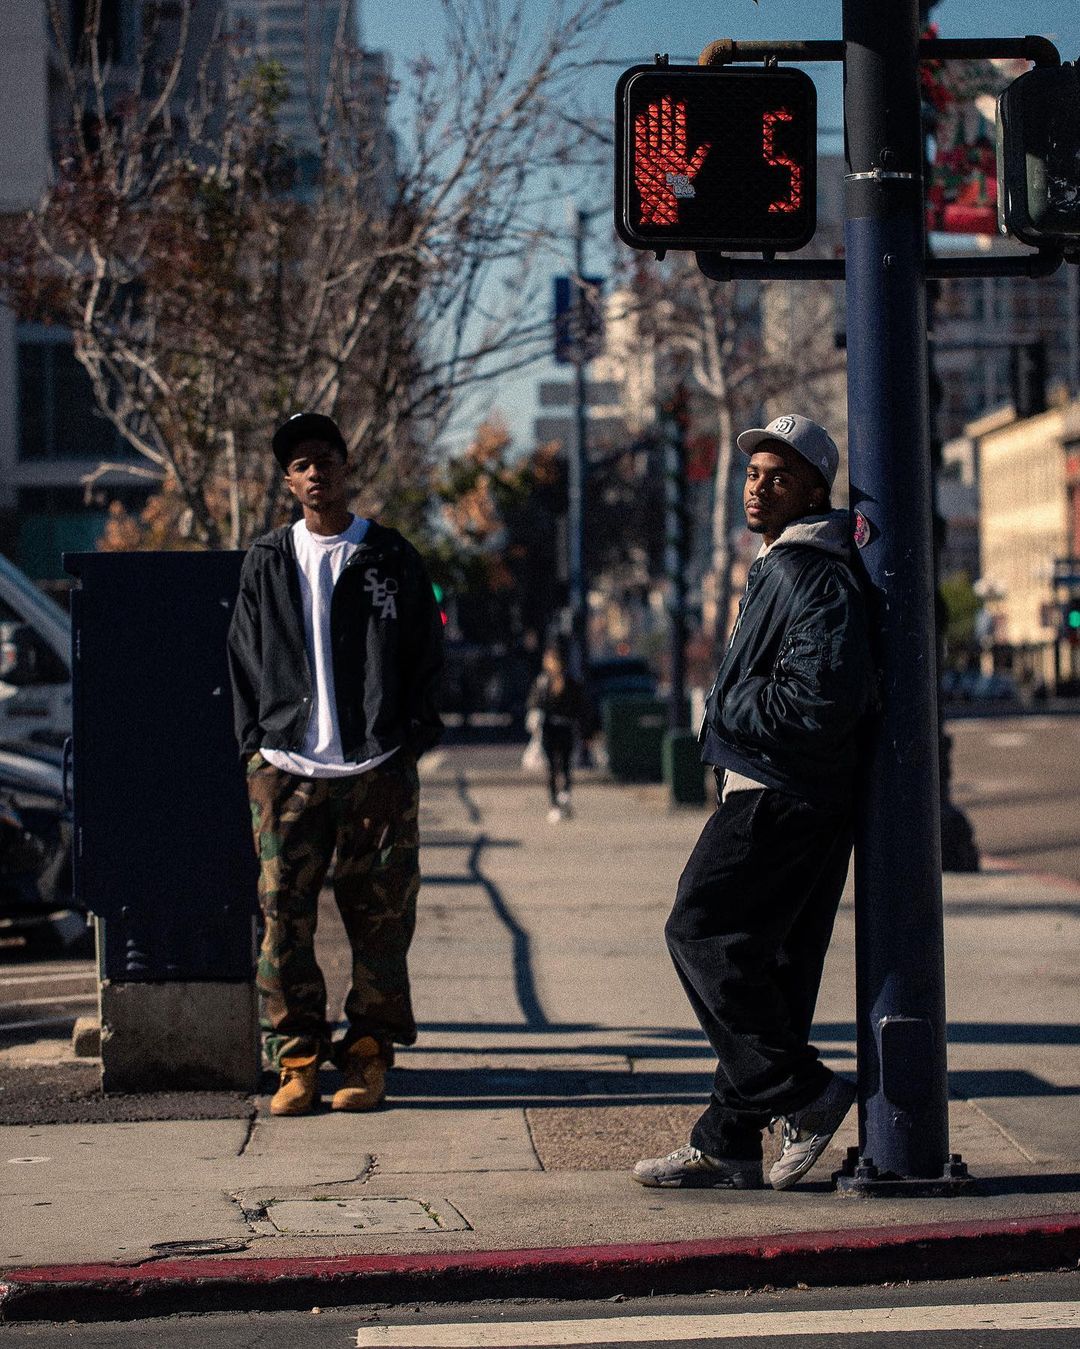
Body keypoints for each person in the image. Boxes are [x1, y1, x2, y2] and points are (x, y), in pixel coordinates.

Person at [633, 413, 874, 1192]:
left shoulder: (814, 575)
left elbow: (815, 705)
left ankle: (803, 1093)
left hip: (781, 795)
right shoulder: (783, 564)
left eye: (779, 475)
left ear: (814, 487)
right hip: (780, 790)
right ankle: (731, 1137)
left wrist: (724, 705)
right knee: (769, 968)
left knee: (699, 931)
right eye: (752, 474)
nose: (758, 486)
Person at [227, 412, 443, 1117]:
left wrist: (409, 735)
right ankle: (296, 1061)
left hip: (375, 768)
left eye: (325, 458)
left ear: (346, 468)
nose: (315, 471)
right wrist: (254, 750)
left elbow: (424, 651)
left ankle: (369, 1057)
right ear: (288, 481)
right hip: (286, 770)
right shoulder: (266, 558)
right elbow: (241, 658)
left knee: (380, 923)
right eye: (300, 463)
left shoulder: (388, 555)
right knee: (281, 919)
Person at [526, 642, 590, 822]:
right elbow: (534, 702)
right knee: (553, 767)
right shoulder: (542, 682)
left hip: (565, 728)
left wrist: (586, 732)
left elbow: (581, 708)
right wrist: (535, 715)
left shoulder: (570, 682)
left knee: (565, 764)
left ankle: (564, 796)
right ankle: (556, 802)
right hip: (548, 729)